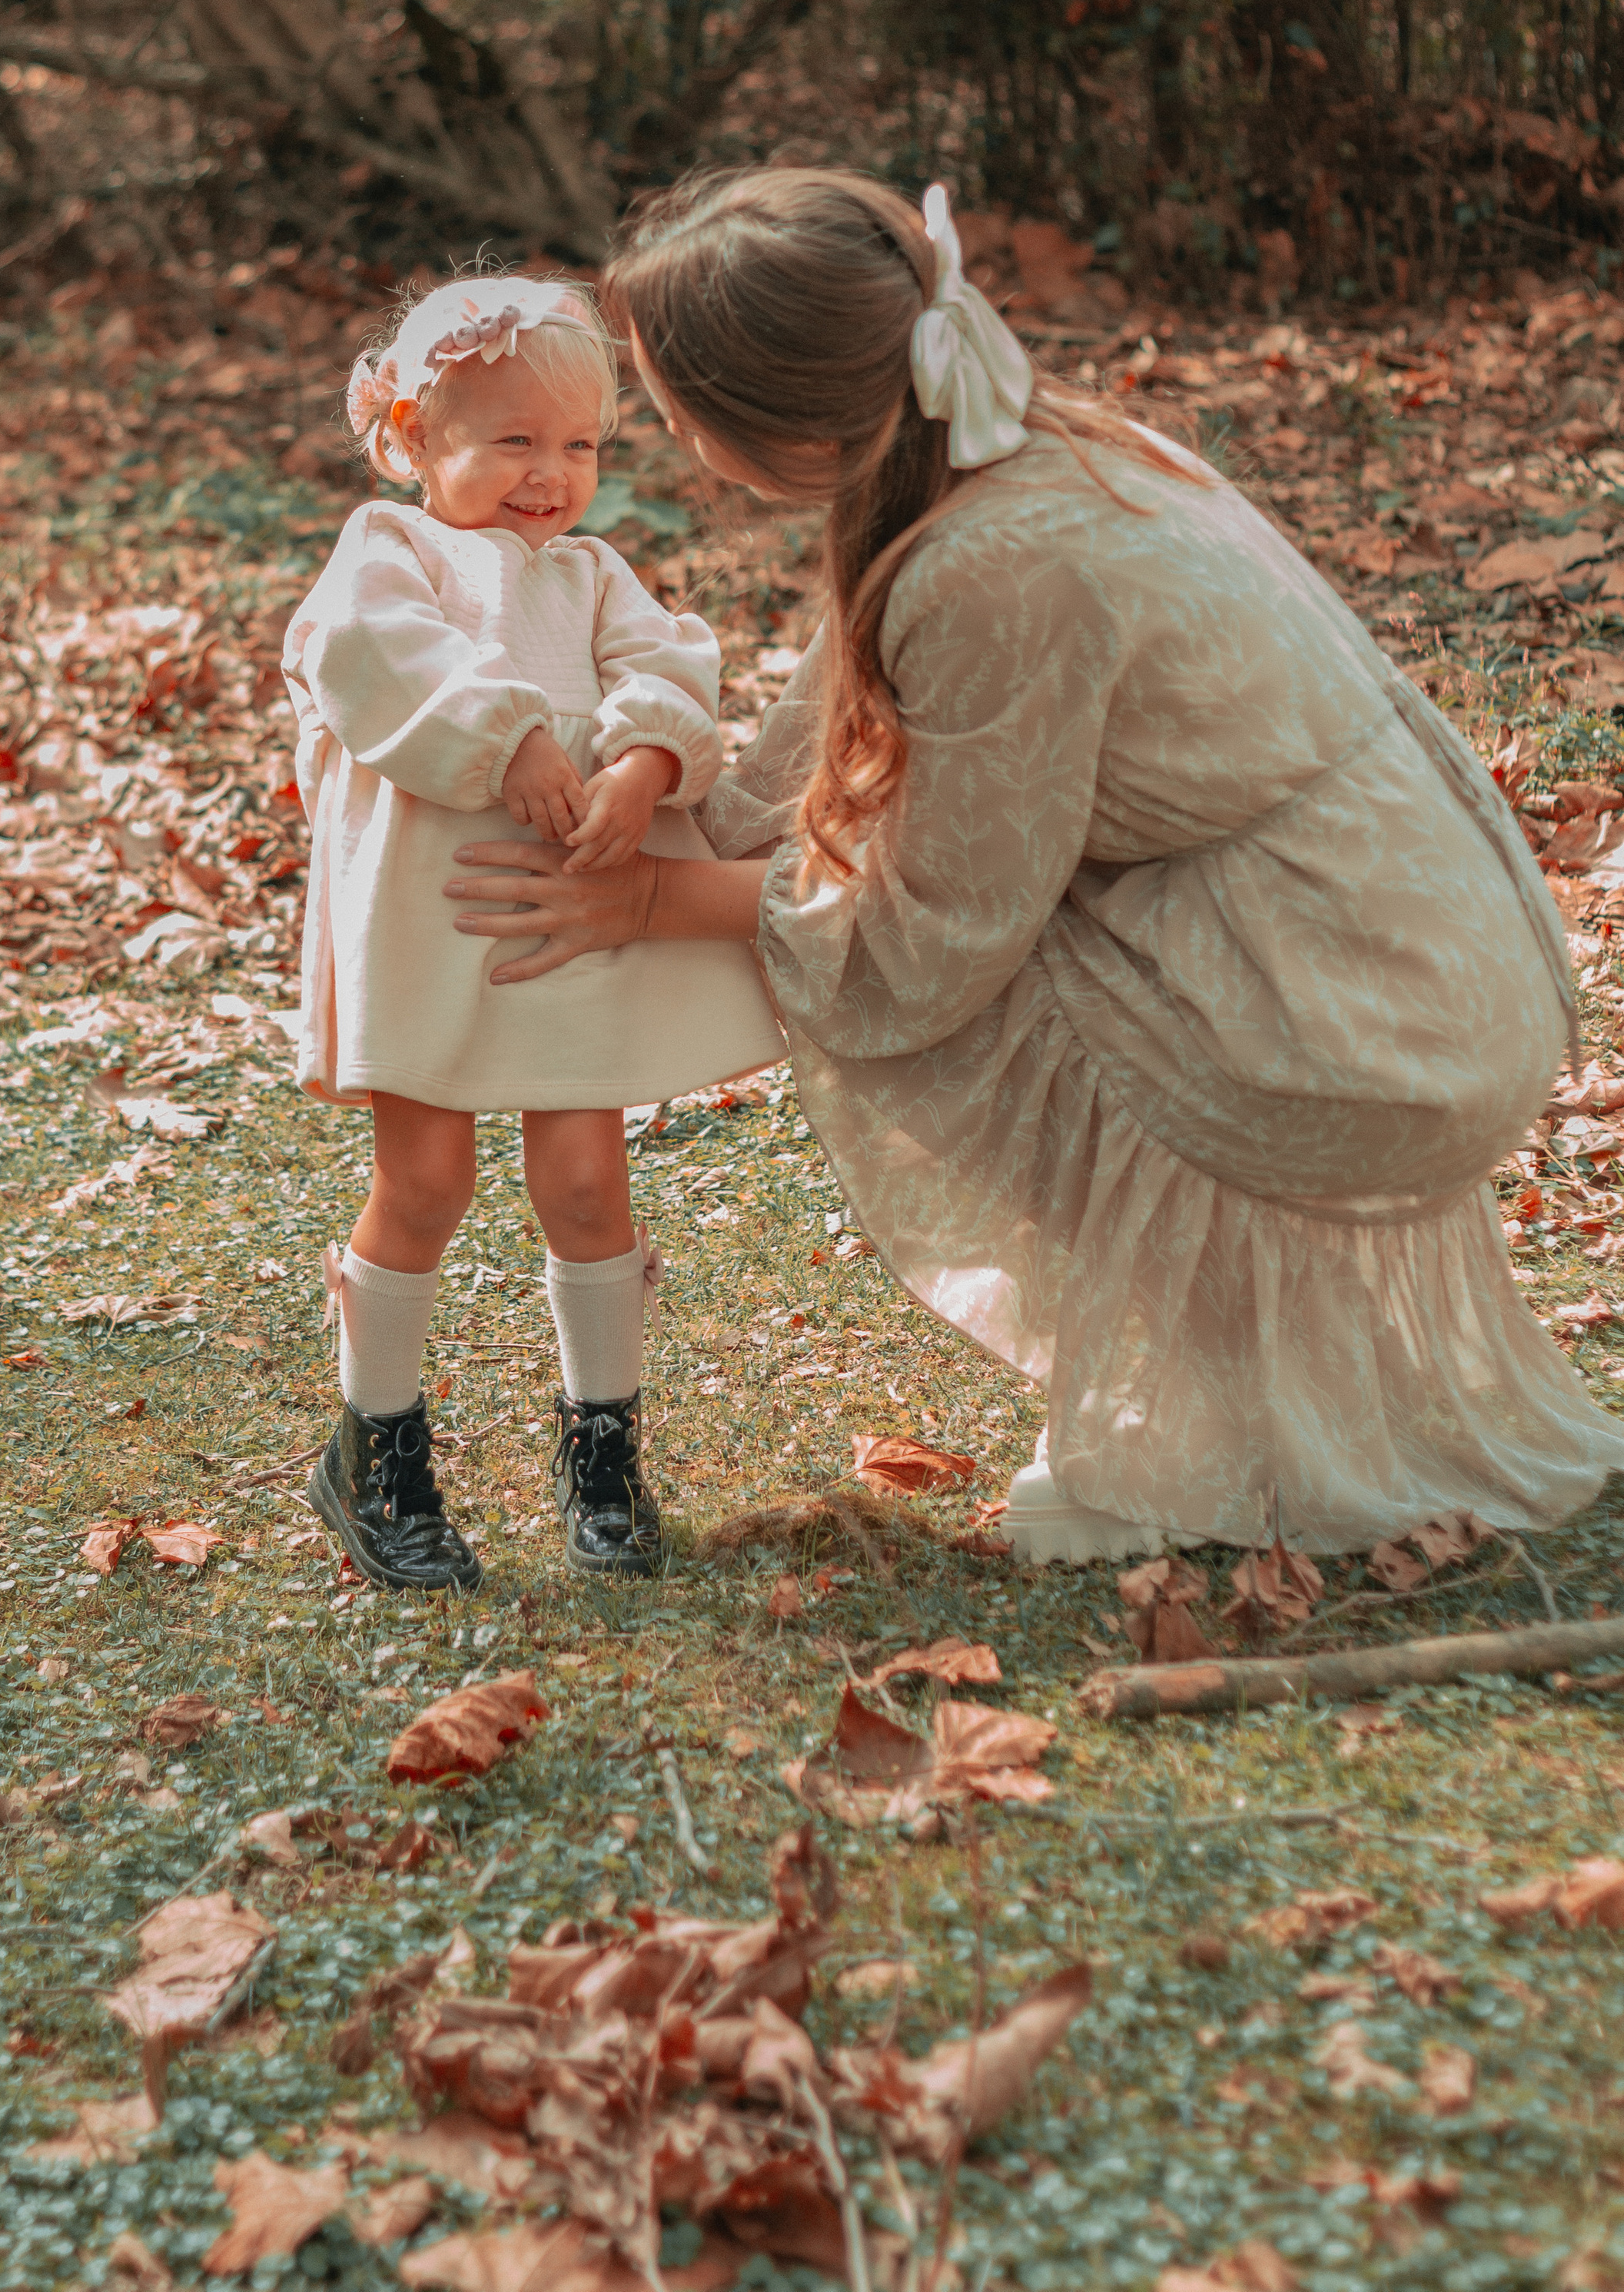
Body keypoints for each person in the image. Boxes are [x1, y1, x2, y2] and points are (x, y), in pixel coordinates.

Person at [441, 168, 1624, 1561]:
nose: (682, 449)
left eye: (678, 411)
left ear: (769, 417)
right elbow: (835, 725)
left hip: (1368, 999)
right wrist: (673, 785)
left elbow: (931, 931)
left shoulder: (995, 563)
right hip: (1417, 942)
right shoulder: (996, 444)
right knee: (980, 936)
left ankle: (1217, 1420)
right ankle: (1228, 1379)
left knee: (977, 994)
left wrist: (656, 897)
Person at [281, 273, 782, 1593]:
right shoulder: (391, 553)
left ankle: (603, 1447)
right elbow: (375, 656)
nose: (549, 476)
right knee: (429, 1179)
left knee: (582, 1179)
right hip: (435, 909)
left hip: (567, 908)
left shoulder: (595, 573)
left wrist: (640, 770)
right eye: (511, 440)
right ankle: (376, 1446)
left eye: (580, 447)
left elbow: (669, 668)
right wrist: (506, 739)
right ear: (411, 441)